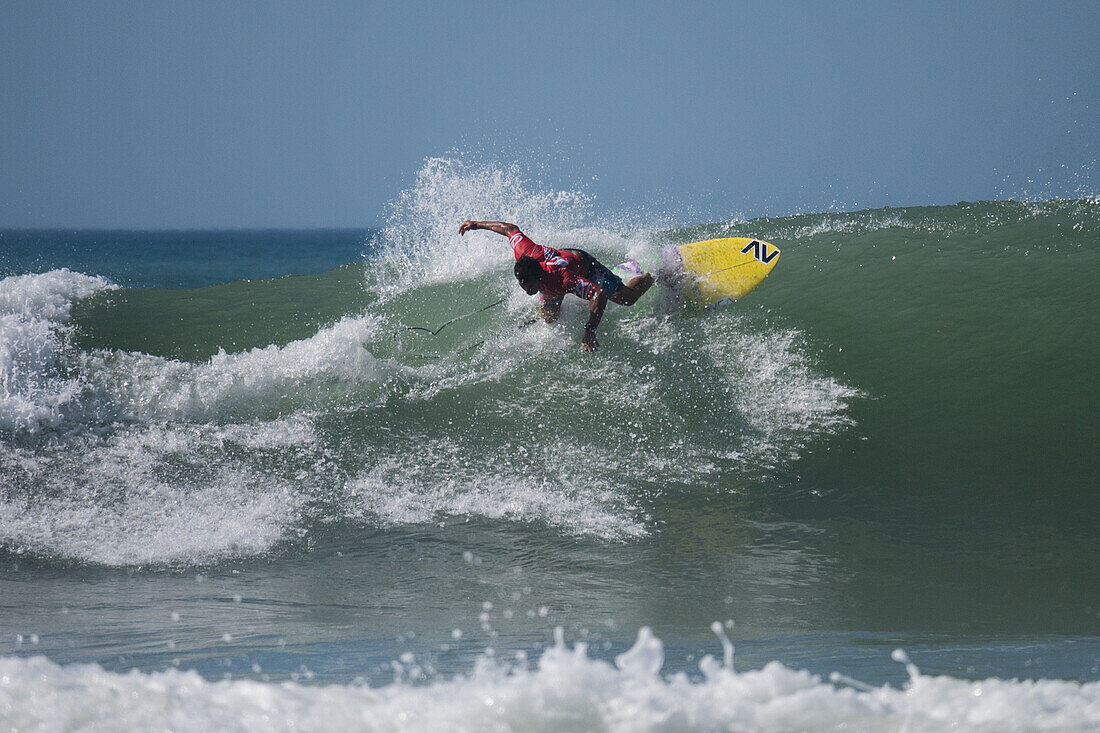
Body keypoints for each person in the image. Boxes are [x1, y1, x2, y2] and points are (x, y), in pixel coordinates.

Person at [458, 220, 654, 352]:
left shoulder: (564, 281)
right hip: (557, 272)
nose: (526, 291)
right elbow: (509, 228)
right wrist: (476, 224)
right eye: (522, 285)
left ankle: (656, 273)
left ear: (538, 277)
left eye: (529, 287)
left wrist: (589, 331)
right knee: (549, 318)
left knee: (627, 299)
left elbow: (598, 294)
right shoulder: (524, 251)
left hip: (584, 267)